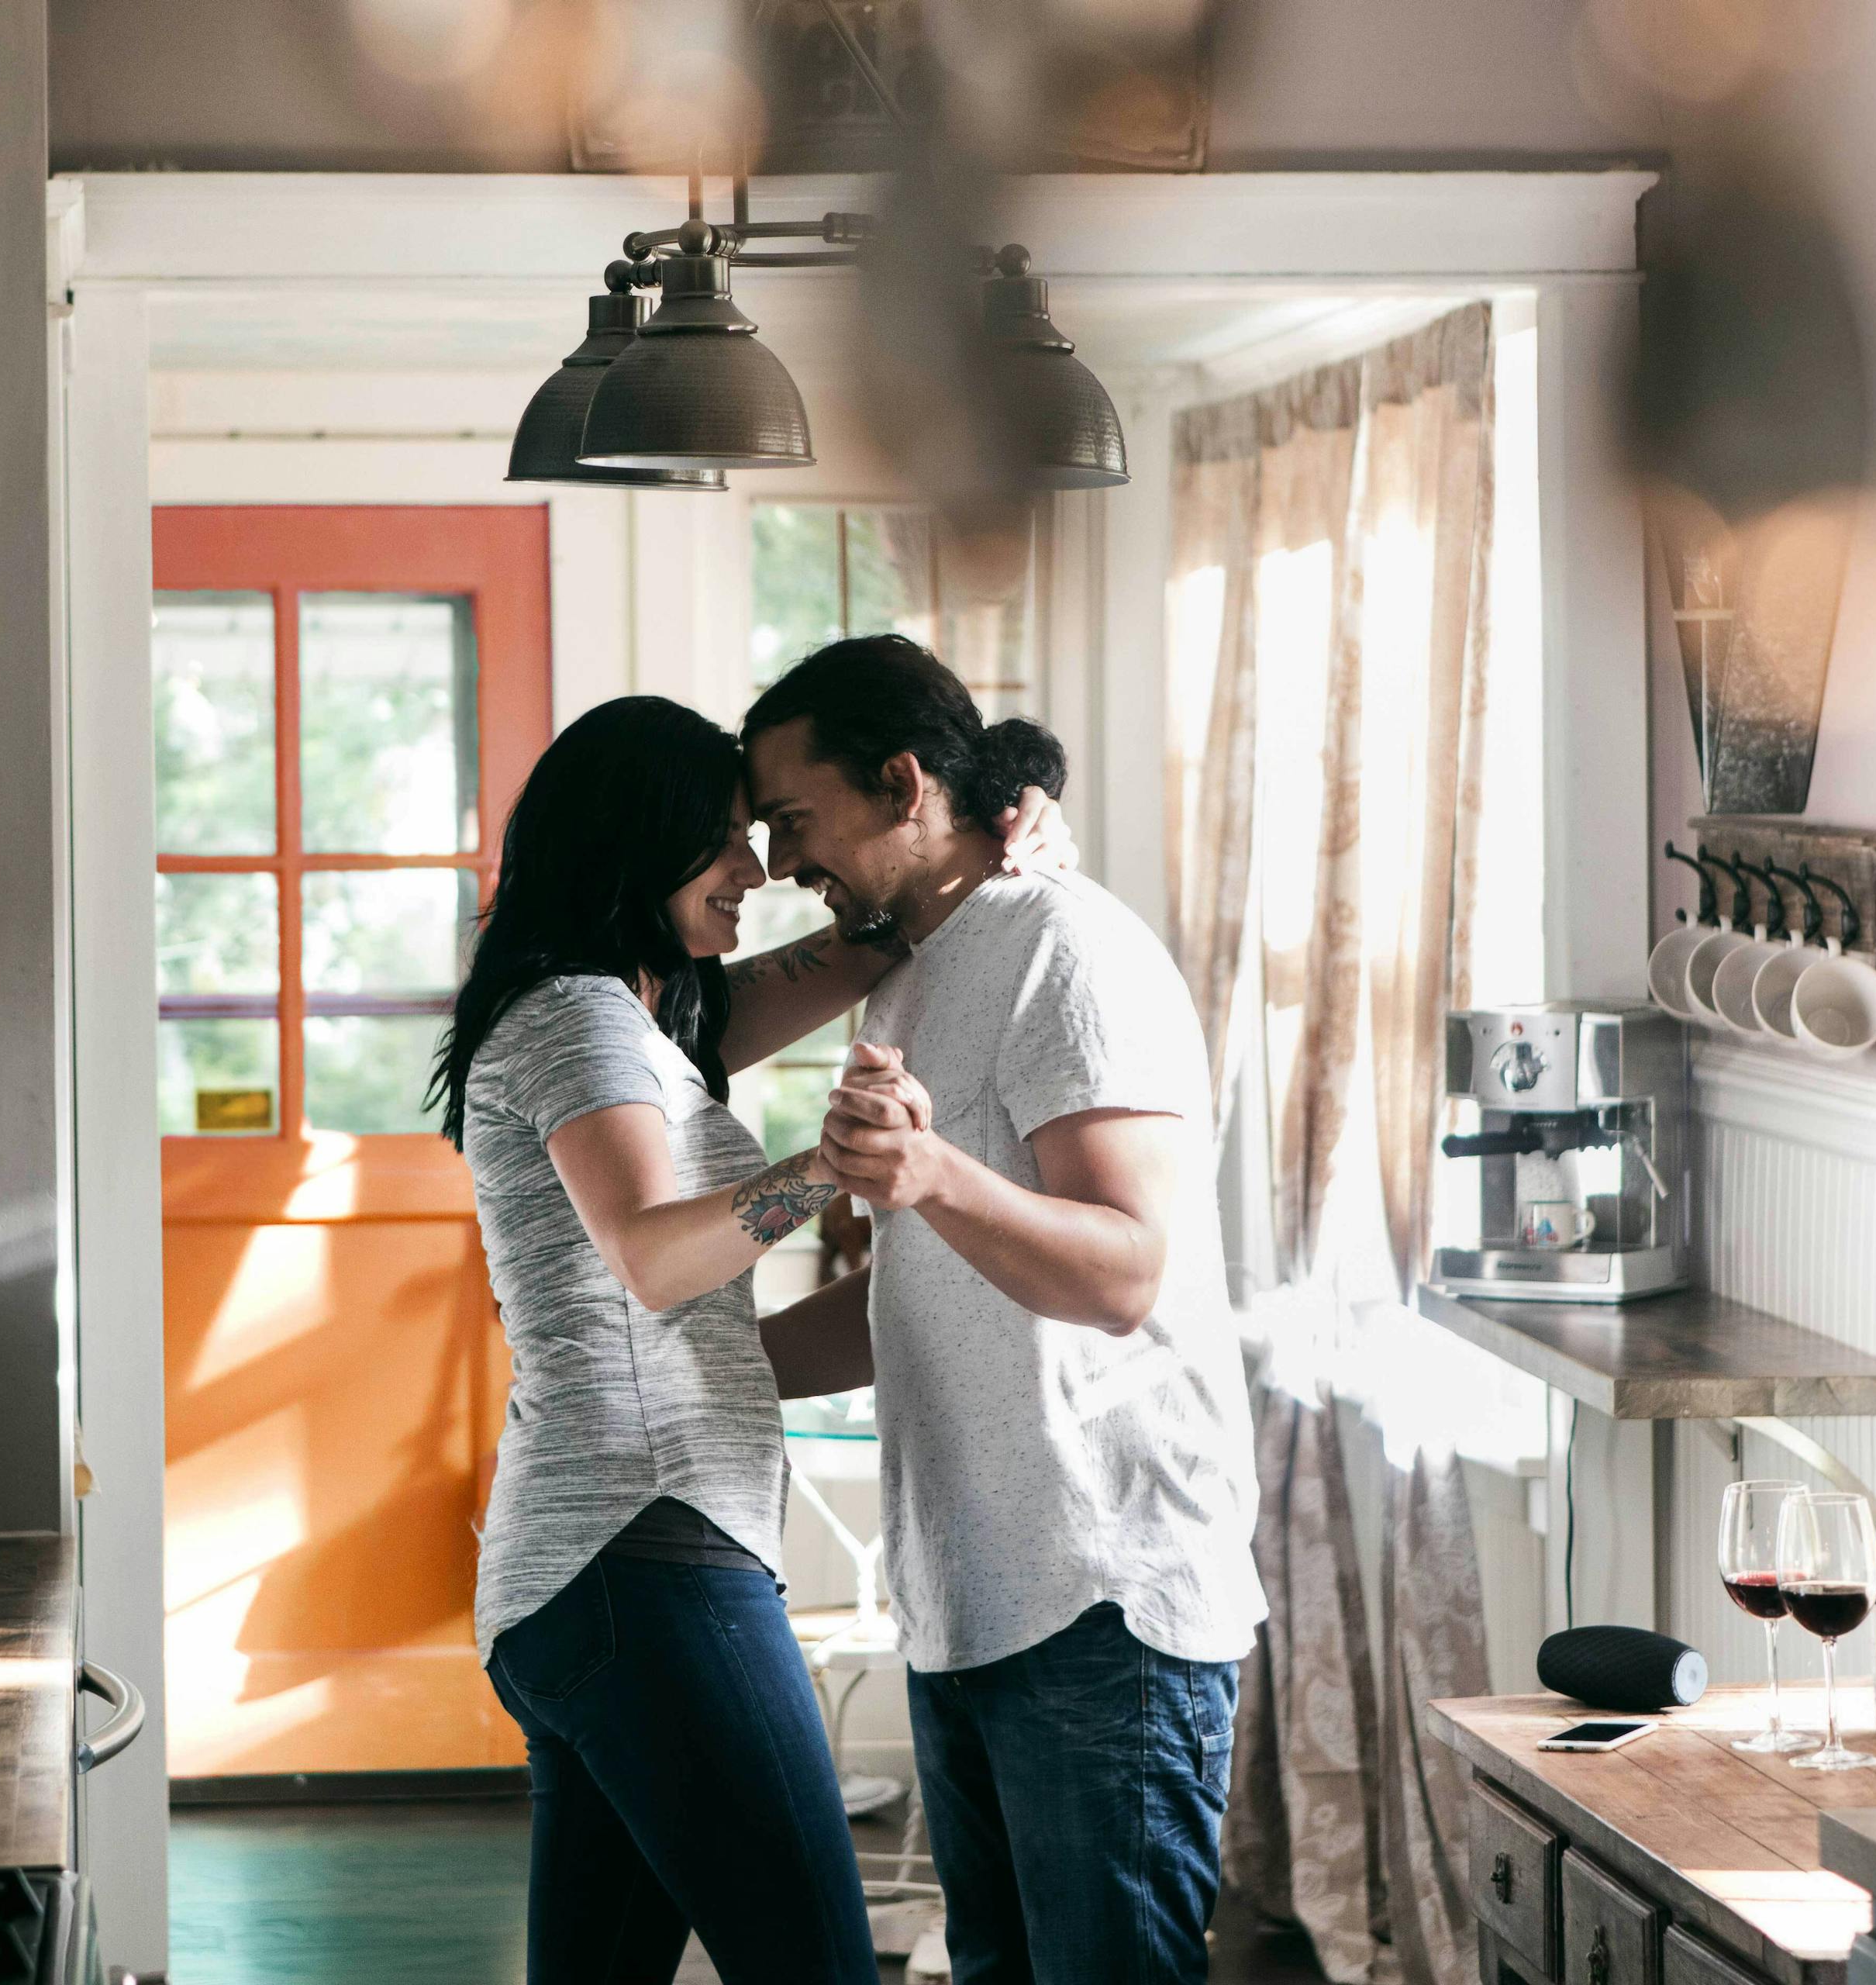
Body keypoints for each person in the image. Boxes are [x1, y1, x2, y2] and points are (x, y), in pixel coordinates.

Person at [430, 692, 1062, 1985]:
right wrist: (835, 1165)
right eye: (723, 839)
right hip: (642, 1554)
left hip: (590, 1574)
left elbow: (877, 941)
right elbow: (655, 1257)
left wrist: (999, 834)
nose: (758, 869)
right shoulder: (576, 1017)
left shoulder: (657, 1012)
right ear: (633, 843)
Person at [743, 636, 1265, 1985]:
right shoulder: (917, 965)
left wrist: (931, 1172)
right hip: (973, 1596)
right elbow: (927, 1285)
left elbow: (1123, 1272)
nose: (784, 863)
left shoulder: (1066, 950)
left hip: (1104, 1595)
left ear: (903, 781)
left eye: (797, 820)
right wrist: (711, 1371)